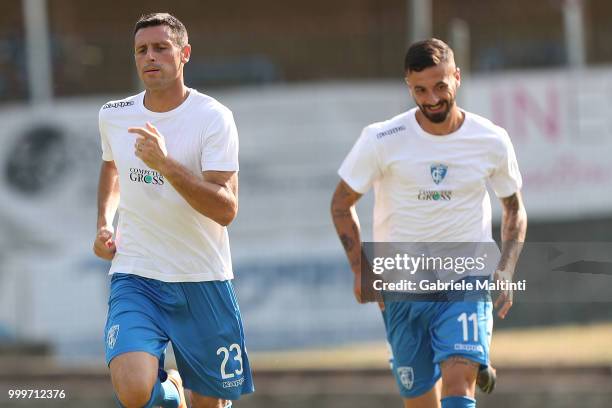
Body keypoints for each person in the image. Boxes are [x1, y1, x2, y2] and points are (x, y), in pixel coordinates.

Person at [331, 38, 527, 408]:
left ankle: (468, 357)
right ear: (408, 85)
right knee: (422, 401)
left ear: (457, 77)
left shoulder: (491, 140)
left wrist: (506, 268)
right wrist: (361, 269)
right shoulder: (382, 139)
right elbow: (341, 205)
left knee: (458, 386)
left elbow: (514, 209)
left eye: (440, 86)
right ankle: (469, 357)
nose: (432, 98)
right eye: (420, 89)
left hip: (464, 278)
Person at [93, 13, 253, 408]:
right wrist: (103, 222)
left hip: (202, 278)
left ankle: (180, 391)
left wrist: (164, 164)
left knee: (209, 404)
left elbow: (226, 209)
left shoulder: (213, 117)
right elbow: (112, 164)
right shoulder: (113, 114)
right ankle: (169, 393)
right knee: (132, 389)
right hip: (137, 273)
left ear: (184, 54)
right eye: (142, 50)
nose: (150, 57)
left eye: (161, 48)